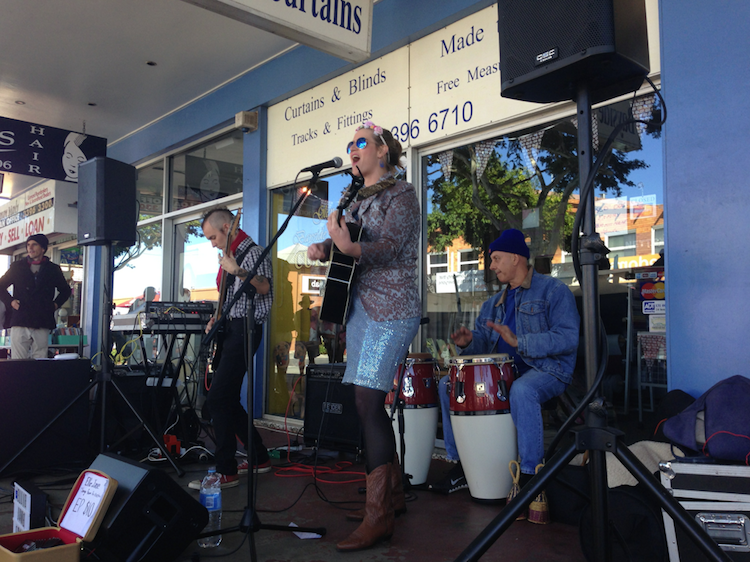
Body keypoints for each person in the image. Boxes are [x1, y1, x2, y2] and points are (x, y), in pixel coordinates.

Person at [307, 121, 421, 552]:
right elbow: (347, 238)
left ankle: (379, 519)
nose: (352, 150)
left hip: (392, 309)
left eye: (359, 143)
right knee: (365, 399)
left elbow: (390, 246)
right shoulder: (355, 198)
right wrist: (325, 246)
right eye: (349, 145)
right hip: (360, 309)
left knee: (367, 402)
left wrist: (349, 248)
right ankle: (390, 498)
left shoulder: (401, 195)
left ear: (382, 152)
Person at [431, 229, 580, 498]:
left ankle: (530, 477)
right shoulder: (492, 304)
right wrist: (467, 342)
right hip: (504, 374)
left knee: (522, 390)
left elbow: (568, 338)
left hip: (548, 370)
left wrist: (519, 341)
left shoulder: (553, 291)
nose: (492, 265)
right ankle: (461, 466)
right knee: (447, 385)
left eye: (496, 258)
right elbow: (482, 348)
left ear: (516, 258)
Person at [188, 207, 273, 490]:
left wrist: (237, 270)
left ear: (227, 227)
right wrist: (217, 317)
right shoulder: (229, 255)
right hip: (231, 328)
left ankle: (226, 470)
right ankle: (259, 457)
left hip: (246, 329)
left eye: (213, 237)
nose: (211, 243)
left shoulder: (253, 252)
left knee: (217, 399)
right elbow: (228, 298)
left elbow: (263, 287)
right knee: (226, 398)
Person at [0, 234, 72, 359]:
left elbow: (65, 290)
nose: (30, 248)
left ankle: (36, 379)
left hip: (42, 319)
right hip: (20, 319)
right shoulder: (17, 267)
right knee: (18, 362)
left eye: (34, 244)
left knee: (40, 360)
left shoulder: (53, 269)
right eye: (28, 245)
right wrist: (10, 302)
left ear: (43, 248)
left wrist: (55, 305)